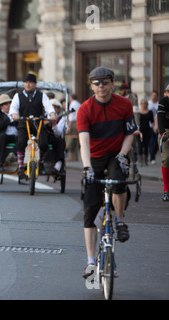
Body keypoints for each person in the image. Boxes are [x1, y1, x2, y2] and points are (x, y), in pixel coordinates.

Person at [77, 67, 138, 278]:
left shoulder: (125, 104)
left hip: (115, 153)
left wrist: (123, 154)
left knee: (119, 181)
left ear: (113, 83)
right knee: (90, 211)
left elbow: (131, 133)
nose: (101, 86)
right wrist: (87, 168)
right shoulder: (85, 109)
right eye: (96, 82)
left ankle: (119, 221)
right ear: (91, 86)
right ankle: (91, 262)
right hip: (93, 157)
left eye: (105, 82)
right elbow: (84, 142)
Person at [10, 73, 56, 173]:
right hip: (24, 122)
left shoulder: (42, 95)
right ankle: (21, 165)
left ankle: (41, 163)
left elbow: (49, 108)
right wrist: (14, 115)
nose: (28, 85)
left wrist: (52, 114)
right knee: (20, 142)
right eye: (26, 83)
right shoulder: (18, 96)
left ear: (35, 84)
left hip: (38, 123)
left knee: (44, 143)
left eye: (30, 83)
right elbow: (13, 109)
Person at [0, 94, 16, 172]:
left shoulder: (15, 113)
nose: (9, 105)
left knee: (24, 137)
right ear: (1, 106)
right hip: (4, 136)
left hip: (15, 136)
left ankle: (15, 157)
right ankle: (1, 162)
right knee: (2, 137)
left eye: (10, 103)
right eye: (6, 104)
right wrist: (9, 118)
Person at [157, 84, 169, 201]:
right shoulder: (163, 102)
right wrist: (163, 135)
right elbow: (160, 118)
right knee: (166, 158)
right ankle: (166, 190)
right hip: (166, 131)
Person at [48, 99, 67, 173]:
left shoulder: (61, 118)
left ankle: (58, 163)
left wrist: (54, 124)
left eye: (56, 107)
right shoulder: (44, 116)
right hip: (45, 136)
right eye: (52, 106)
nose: (54, 109)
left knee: (61, 141)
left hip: (54, 137)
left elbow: (58, 133)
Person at [137, 99, 155, 166]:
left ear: (147, 104)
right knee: (140, 145)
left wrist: (154, 128)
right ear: (140, 104)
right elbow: (136, 122)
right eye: (142, 103)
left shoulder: (150, 112)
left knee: (146, 146)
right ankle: (140, 160)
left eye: (145, 103)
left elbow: (152, 122)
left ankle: (145, 160)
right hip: (140, 131)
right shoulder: (138, 113)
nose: (143, 105)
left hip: (147, 131)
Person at [66, 94, 81, 161]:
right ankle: (75, 156)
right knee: (76, 140)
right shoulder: (78, 103)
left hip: (73, 123)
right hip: (78, 122)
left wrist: (69, 123)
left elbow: (71, 114)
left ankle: (73, 157)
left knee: (72, 139)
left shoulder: (73, 104)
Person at [148, 90, 160, 164]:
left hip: (158, 126)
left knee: (157, 142)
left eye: (155, 95)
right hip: (149, 126)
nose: (154, 97)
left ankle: (154, 152)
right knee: (151, 141)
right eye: (153, 95)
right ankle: (152, 157)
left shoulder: (159, 104)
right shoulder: (148, 104)